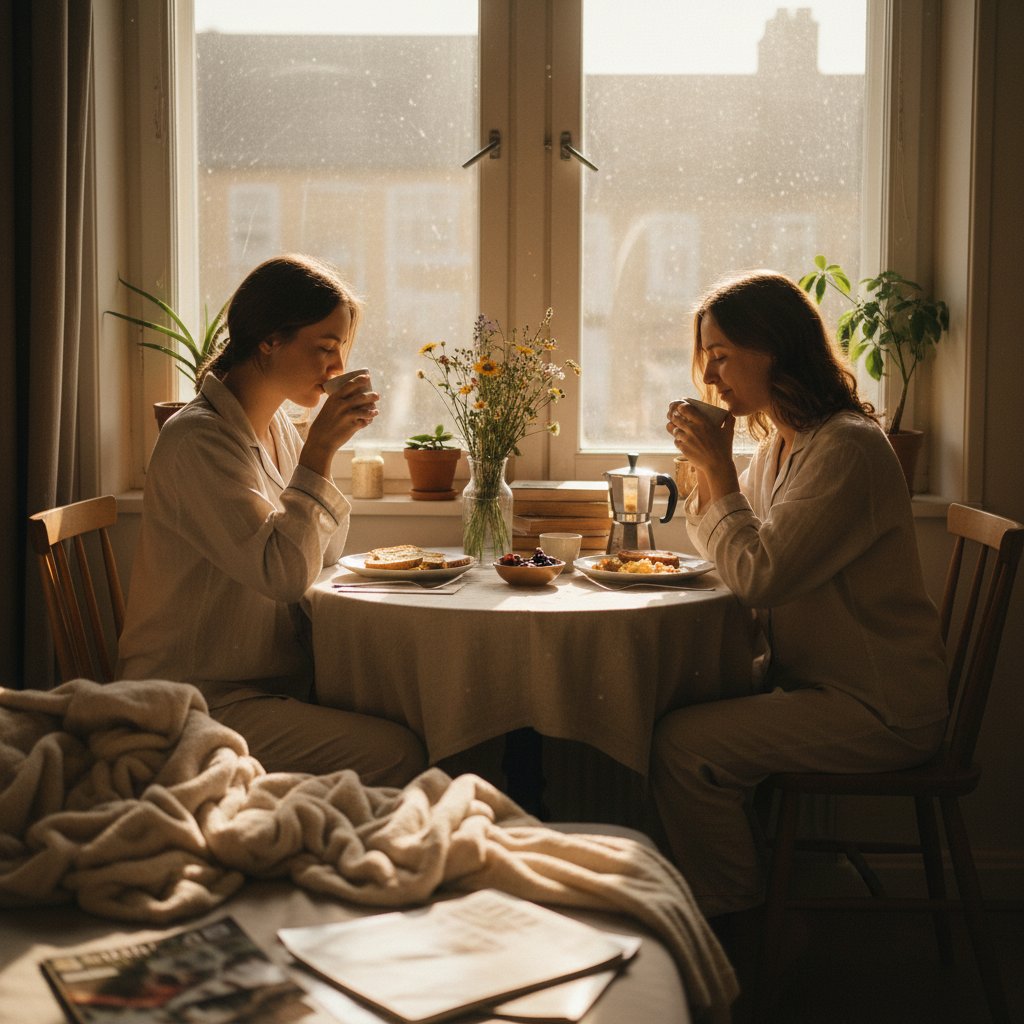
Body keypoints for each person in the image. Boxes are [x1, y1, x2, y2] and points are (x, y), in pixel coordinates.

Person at [651, 269, 948, 921]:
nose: (711, 377)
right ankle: (741, 889)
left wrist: (719, 470)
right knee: (683, 701)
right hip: (820, 686)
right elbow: (739, 558)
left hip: (882, 706)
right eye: (707, 360)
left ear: (776, 346)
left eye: (722, 357)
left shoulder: (846, 448)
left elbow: (761, 578)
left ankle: (733, 914)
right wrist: (709, 472)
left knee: (684, 745)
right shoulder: (781, 446)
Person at [118, 254, 426, 784]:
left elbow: (321, 556)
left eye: (342, 351)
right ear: (269, 339)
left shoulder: (277, 427)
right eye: (326, 348)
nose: (336, 367)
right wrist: (320, 451)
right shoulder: (198, 440)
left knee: (410, 706)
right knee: (399, 752)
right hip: (196, 700)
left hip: (260, 686)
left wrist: (314, 451)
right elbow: (283, 577)